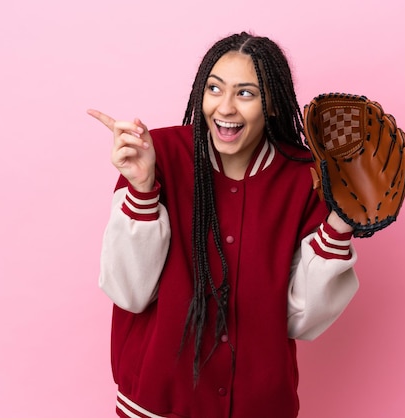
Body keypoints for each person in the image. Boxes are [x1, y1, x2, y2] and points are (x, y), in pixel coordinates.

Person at [88, 31, 359, 418]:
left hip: (259, 406)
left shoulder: (306, 178)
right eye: (214, 89)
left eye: (245, 93)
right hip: (157, 405)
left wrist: (340, 222)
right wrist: (144, 188)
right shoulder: (156, 154)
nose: (225, 107)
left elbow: (301, 317)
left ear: (274, 106)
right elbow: (128, 292)